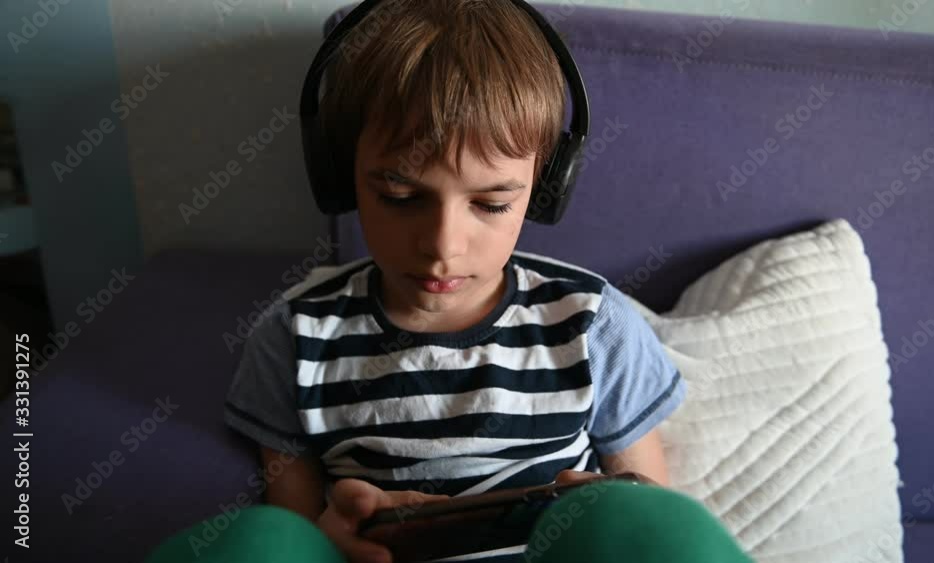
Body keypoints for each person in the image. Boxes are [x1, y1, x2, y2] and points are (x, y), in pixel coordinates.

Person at [144, 1, 751, 562]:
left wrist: (604, 509)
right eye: (401, 196)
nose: (442, 247)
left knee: (636, 518)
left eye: (490, 204)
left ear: (544, 189)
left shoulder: (594, 323)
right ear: (338, 177)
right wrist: (331, 533)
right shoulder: (294, 336)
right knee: (260, 541)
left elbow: (649, 498)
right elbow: (296, 524)